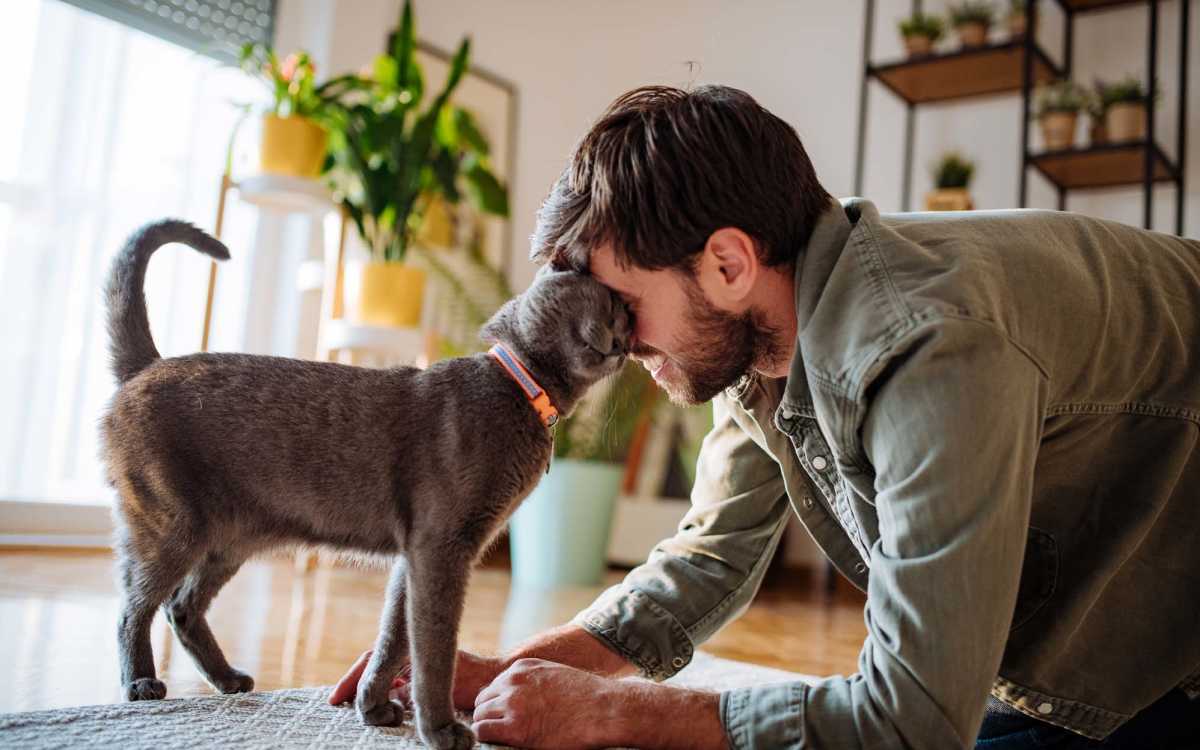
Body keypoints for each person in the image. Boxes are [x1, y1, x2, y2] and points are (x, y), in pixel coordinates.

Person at [330, 84, 1200, 749]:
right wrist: (524, 667)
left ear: (728, 261)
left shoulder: (930, 350)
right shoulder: (770, 332)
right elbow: (712, 556)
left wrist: (620, 712)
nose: (617, 340)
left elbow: (911, 721)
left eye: (626, 303)